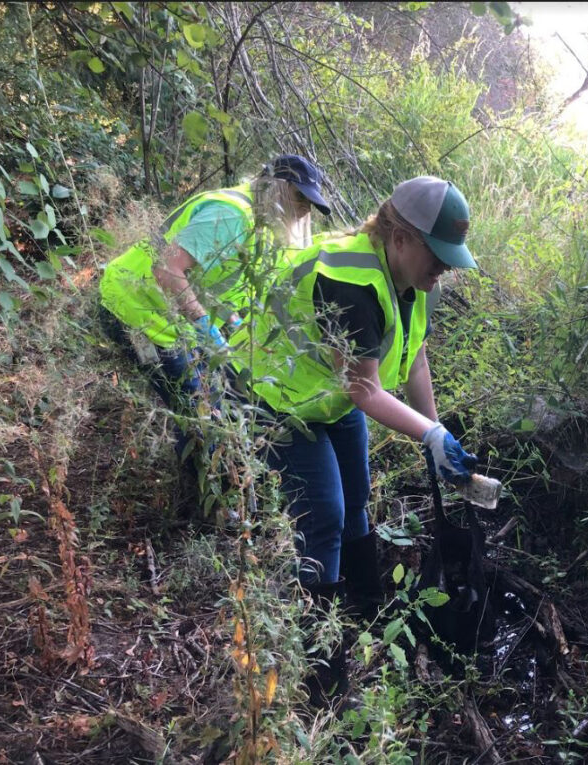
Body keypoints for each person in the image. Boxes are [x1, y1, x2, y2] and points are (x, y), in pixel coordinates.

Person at [229, 175, 480, 708]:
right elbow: (366, 389)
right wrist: (428, 433)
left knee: (359, 499)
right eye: (437, 258)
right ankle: (323, 673)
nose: (441, 273)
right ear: (401, 237)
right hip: (273, 391)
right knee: (324, 513)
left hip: (326, 391)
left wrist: (436, 434)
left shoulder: (412, 281)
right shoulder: (350, 281)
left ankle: (366, 615)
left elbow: (412, 355)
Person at [98, 155, 331, 507]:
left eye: (310, 205)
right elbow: (167, 270)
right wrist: (205, 327)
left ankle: (198, 496)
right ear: (279, 191)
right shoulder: (231, 214)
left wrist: (233, 324)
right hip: (135, 312)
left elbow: (216, 278)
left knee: (205, 406)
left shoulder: (256, 223)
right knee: (205, 414)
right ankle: (204, 509)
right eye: (300, 201)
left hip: (167, 319)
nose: (303, 213)